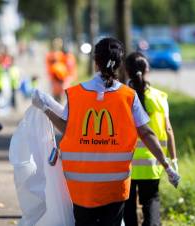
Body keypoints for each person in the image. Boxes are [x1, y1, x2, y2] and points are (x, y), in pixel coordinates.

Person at [32, 37, 180, 226]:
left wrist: (45, 109)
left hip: (81, 188)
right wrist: (167, 166)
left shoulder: (76, 94)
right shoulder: (128, 96)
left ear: (95, 63)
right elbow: (146, 133)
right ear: (119, 65)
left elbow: (68, 129)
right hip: (115, 187)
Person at [122, 52, 178, 226]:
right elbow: (168, 130)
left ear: (126, 71)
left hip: (125, 164)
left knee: (127, 206)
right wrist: (173, 160)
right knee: (151, 201)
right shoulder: (160, 98)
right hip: (152, 163)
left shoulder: (120, 96)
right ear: (147, 70)